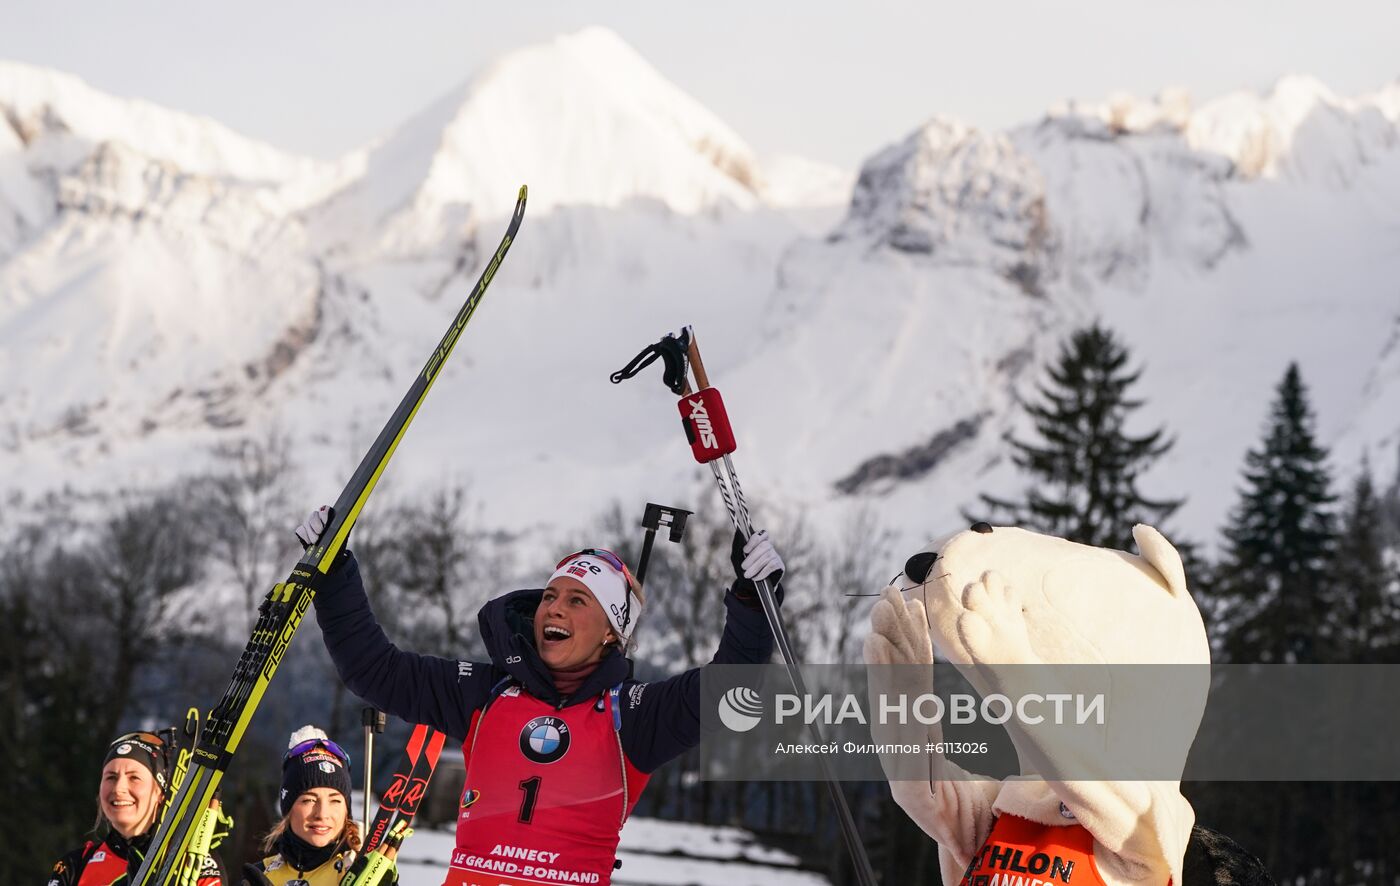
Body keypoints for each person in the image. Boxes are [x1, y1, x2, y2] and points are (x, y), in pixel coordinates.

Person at [294, 504, 784, 886]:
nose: (554, 609)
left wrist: (751, 602)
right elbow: (373, 670)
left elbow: (730, 691)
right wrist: (333, 571)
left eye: (577, 601)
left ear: (612, 632)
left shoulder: (633, 715)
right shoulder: (485, 692)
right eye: (550, 596)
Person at [46, 731, 225, 886]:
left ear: (160, 793)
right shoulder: (75, 865)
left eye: (134, 778)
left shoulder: (194, 862)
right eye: (111, 777)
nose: (119, 788)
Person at [242, 725, 397, 886]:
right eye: (309, 800)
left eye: (335, 800)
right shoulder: (262, 875)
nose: (322, 814)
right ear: (288, 809)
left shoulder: (360, 872)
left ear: (346, 810)